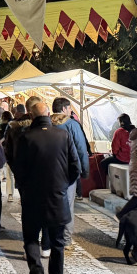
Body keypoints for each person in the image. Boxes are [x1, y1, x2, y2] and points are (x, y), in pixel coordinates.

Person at [13, 97, 80, 274]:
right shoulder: (63, 135)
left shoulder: (26, 138)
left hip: (33, 198)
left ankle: (37, 273)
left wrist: (25, 189)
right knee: (57, 244)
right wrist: (61, 184)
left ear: (31, 116)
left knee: (31, 239)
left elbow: (19, 169)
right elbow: (75, 167)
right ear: (48, 115)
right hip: (57, 197)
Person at [51, 98, 89, 247]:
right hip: (68, 172)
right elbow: (81, 149)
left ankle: (52, 236)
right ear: (65, 109)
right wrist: (85, 171)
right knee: (67, 205)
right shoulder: (72, 125)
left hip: (50, 171)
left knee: (51, 204)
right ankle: (65, 239)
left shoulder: (48, 124)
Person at [100, 114, 135, 179]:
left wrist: (114, 154)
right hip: (134, 159)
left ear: (121, 122)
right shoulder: (136, 131)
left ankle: (111, 180)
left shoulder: (119, 132)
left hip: (122, 159)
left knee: (103, 163)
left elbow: (115, 147)